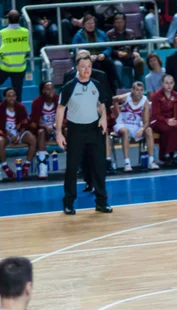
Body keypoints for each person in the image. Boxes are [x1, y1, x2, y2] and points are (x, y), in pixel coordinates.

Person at [56, 55, 113, 215]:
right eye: (83, 66)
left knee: (99, 167)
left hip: (94, 130)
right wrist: (59, 132)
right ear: (77, 67)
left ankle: (101, 202)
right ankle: (69, 202)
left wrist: (103, 117)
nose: (86, 69)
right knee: (72, 168)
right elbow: (60, 109)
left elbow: (101, 104)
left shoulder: (97, 84)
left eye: (89, 66)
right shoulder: (69, 87)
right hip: (76, 131)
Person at [63, 50, 115, 178]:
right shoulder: (68, 76)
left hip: (94, 120)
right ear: (76, 62)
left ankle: (98, 179)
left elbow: (107, 97)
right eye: (81, 58)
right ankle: (87, 179)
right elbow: (65, 100)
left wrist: (100, 113)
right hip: (76, 121)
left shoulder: (100, 76)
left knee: (94, 154)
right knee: (81, 154)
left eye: (86, 58)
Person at [0, 87, 37, 179]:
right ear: (5, 97)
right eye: (9, 96)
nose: (11, 98)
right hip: (5, 134)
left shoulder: (21, 107)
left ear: (16, 97)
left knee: (33, 139)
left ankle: (26, 166)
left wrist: (18, 135)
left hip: (18, 133)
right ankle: (5, 167)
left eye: (13, 96)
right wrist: (11, 135)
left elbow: (25, 124)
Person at [112, 82, 160, 171]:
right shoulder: (126, 97)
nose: (139, 92)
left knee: (148, 130)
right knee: (125, 132)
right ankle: (127, 163)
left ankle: (151, 161)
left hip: (136, 125)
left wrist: (141, 130)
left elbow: (146, 122)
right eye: (137, 90)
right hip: (122, 124)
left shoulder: (145, 101)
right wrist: (117, 114)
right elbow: (114, 99)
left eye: (141, 90)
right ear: (132, 90)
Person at [0, 10, 30, 104]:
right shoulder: (26, 32)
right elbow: (29, 47)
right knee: (18, 93)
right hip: (20, 67)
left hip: (5, 66)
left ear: (8, 19)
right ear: (19, 19)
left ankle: (0, 106)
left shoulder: (2, 33)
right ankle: (18, 114)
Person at [150, 74, 177, 167]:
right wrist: (167, 121)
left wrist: (174, 120)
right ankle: (166, 155)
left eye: (171, 83)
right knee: (167, 129)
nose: (169, 85)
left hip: (172, 120)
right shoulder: (156, 96)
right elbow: (155, 114)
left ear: (173, 84)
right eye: (166, 83)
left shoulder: (176, 95)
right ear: (162, 84)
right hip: (158, 121)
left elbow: (176, 112)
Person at [29, 81, 59, 179]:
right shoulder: (37, 102)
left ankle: (75, 163)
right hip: (45, 130)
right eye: (48, 89)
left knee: (69, 131)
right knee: (40, 132)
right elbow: (35, 122)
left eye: (52, 89)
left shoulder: (59, 99)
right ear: (43, 91)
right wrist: (46, 127)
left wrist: (56, 127)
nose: (51, 91)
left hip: (58, 129)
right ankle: (42, 165)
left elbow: (65, 118)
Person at [107, 13, 146, 85]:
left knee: (140, 61)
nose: (120, 24)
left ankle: (138, 83)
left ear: (125, 22)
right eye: (117, 22)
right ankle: (120, 86)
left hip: (129, 56)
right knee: (118, 65)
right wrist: (117, 53)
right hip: (116, 58)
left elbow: (136, 45)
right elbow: (108, 48)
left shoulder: (131, 32)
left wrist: (135, 52)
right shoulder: (109, 34)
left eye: (121, 22)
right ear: (114, 23)